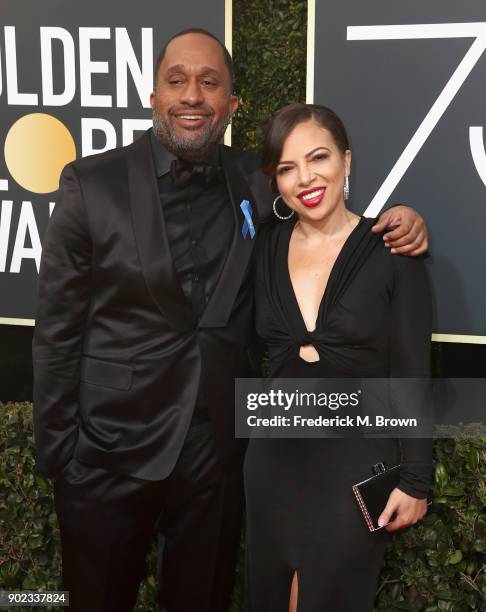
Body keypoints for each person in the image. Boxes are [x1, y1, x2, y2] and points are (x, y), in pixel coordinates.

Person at [32, 28, 428, 612]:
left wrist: (405, 217)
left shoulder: (258, 180)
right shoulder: (92, 183)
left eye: (209, 82)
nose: (192, 95)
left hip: (216, 461)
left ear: (231, 106)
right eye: (177, 80)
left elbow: (323, 202)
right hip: (106, 453)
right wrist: (61, 455)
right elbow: (58, 328)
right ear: (153, 95)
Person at [244, 103, 432, 612]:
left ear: (346, 161)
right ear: (275, 183)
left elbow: (412, 369)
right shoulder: (262, 249)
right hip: (270, 468)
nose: (305, 178)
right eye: (286, 168)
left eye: (319, 157)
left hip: (351, 470)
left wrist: (416, 478)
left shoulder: (391, 250)